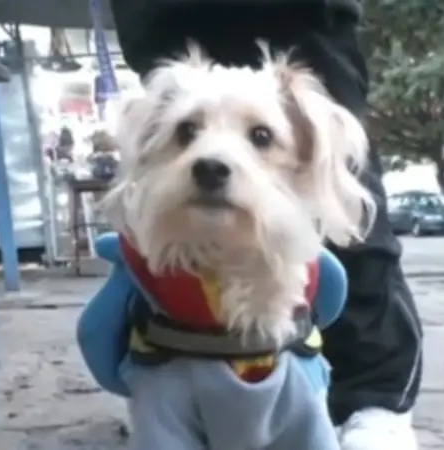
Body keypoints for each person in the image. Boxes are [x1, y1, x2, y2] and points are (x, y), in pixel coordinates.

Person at [106, 1, 424, 448]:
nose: (212, 158)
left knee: (359, 248)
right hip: (162, 12)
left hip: (304, 11)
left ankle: (375, 402)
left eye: (260, 137)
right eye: (187, 132)